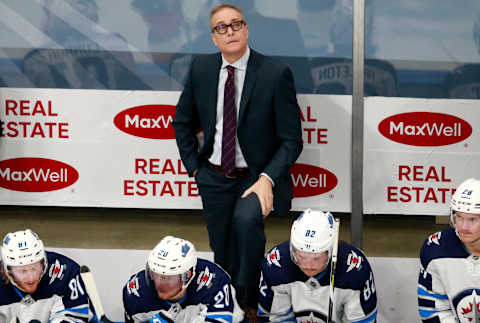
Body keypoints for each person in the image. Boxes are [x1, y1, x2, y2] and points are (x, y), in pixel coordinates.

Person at [172, 3, 303, 320]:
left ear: (246, 29)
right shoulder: (202, 69)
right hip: (213, 176)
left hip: (255, 178)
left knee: (246, 226)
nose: (229, 31)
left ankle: (249, 304)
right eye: (221, 27)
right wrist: (195, 169)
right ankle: (227, 305)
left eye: (236, 24)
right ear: (213, 37)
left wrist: (268, 178)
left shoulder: (274, 73)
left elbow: (292, 140)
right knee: (222, 246)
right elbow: (182, 122)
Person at [258, 209, 378, 323]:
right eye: (302, 256)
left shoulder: (356, 270)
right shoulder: (275, 265)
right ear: (293, 250)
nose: (308, 265)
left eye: (316, 258)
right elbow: (275, 318)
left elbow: (361, 320)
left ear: (331, 250)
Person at [122, 235, 243, 323]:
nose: (159, 284)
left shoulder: (214, 283)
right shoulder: (135, 293)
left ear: (187, 275)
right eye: (155, 274)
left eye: (167, 278)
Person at [418, 178, 480, 322]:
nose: (463, 227)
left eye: (472, 220)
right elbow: (433, 309)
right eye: (459, 217)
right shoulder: (436, 250)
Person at [0, 229, 91, 322]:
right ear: (8, 270)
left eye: (34, 268)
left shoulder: (66, 273)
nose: (31, 278)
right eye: (22, 271)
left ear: (43, 262)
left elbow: (76, 317)